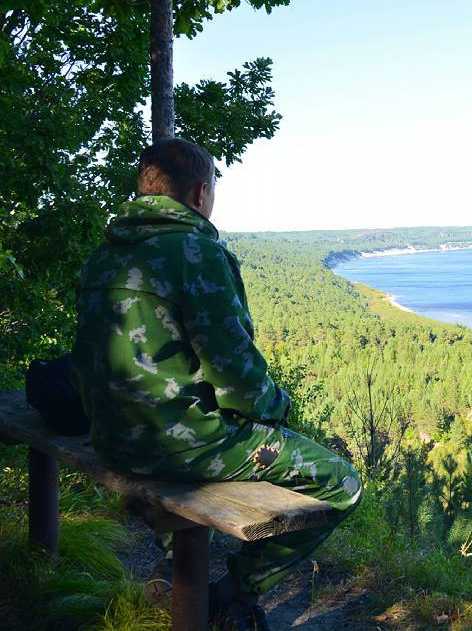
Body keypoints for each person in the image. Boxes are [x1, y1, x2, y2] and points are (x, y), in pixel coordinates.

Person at [71, 138, 361, 630]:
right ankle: (232, 596)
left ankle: (172, 566)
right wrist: (278, 410)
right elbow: (238, 376)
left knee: (190, 444)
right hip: (172, 446)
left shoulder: (103, 256)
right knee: (341, 483)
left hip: (111, 435)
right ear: (201, 193)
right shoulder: (196, 252)